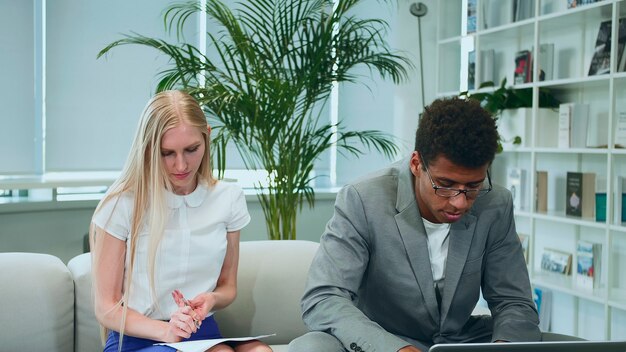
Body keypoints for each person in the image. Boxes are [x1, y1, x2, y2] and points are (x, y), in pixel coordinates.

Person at [288, 97, 540, 352]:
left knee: (559, 342)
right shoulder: (363, 199)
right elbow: (324, 297)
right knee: (311, 347)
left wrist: (503, 348)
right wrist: (396, 349)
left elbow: (513, 301)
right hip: (382, 340)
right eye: (445, 185)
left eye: (473, 186)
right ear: (416, 164)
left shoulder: (496, 203)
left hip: (458, 342)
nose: (460, 202)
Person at [90, 90, 272, 352]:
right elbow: (106, 307)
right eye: (167, 153)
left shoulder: (228, 199)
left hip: (202, 332)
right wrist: (168, 331)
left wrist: (211, 299)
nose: (181, 165)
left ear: (206, 137)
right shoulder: (121, 203)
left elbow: (227, 287)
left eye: (191, 149)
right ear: (148, 148)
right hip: (138, 337)